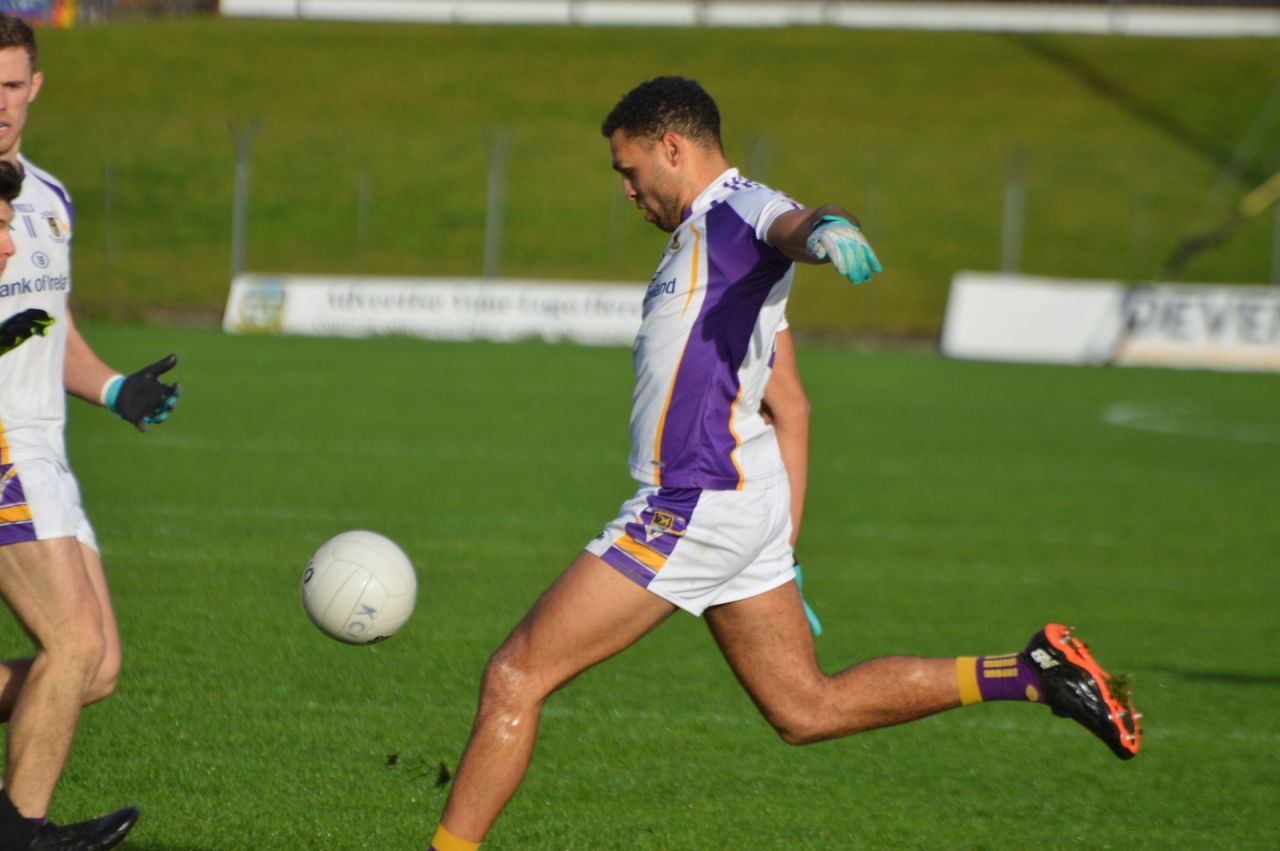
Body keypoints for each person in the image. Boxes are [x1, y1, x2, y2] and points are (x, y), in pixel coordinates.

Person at [426, 76, 1140, 851]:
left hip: (693, 500)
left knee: (515, 676)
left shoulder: (737, 211)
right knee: (806, 708)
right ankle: (1032, 672)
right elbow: (789, 402)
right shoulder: (706, 246)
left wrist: (831, 229)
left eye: (630, 172)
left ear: (673, 148)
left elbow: (796, 222)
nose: (628, 192)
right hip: (743, 501)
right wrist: (784, 549)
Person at [0, 14, 181, 850]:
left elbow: (46, 327)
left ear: (34, 89)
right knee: (69, 641)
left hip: (49, 448)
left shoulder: (49, 197)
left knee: (94, 668)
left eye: (10, 86)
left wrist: (114, 388)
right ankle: (19, 832)